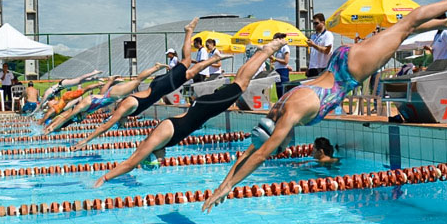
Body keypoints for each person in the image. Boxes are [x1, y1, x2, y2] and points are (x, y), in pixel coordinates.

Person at [201, 0, 447, 212]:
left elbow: (261, 154)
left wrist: (230, 187)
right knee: (401, 30)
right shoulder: (278, 108)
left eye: (280, 144)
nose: (283, 148)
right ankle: (445, 21)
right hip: (340, 62)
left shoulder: (290, 115)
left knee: (406, 24)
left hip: (350, 72)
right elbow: (253, 149)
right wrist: (224, 184)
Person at [92, 38, 288, 187]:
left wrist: (105, 177)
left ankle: (265, 52)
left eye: (157, 162)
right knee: (240, 83)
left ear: (151, 155)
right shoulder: (161, 141)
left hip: (205, 108)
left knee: (240, 84)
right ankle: (260, 54)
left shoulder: (154, 141)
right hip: (203, 108)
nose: (162, 161)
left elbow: (130, 163)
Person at [71, 18, 233, 149]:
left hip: (161, 86)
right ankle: (214, 58)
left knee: (186, 62)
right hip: (160, 87)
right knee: (190, 72)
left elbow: (105, 126)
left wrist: (86, 140)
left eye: (121, 124)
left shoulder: (124, 108)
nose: (122, 125)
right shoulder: (128, 110)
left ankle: (189, 32)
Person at [44, 63, 166, 134]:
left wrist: (52, 128)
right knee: (133, 83)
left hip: (113, 95)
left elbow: (66, 117)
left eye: (81, 118)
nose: (84, 119)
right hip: (110, 96)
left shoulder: (83, 106)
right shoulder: (89, 107)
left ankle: (156, 67)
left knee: (137, 81)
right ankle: (112, 80)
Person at [305, 13, 334, 77]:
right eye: (313, 23)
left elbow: (327, 51)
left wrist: (313, 45)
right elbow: (312, 53)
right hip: (312, 68)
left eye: (316, 23)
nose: (314, 25)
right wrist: (308, 67)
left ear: (323, 23)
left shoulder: (328, 34)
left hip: (323, 68)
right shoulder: (313, 36)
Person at [271, 32, 291, 97]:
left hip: (283, 71)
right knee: (278, 89)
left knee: (283, 90)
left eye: (275, 40)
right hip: (277, 70)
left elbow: (286, 61)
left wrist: (275, 59)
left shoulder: (285, 48)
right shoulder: (277, 48)